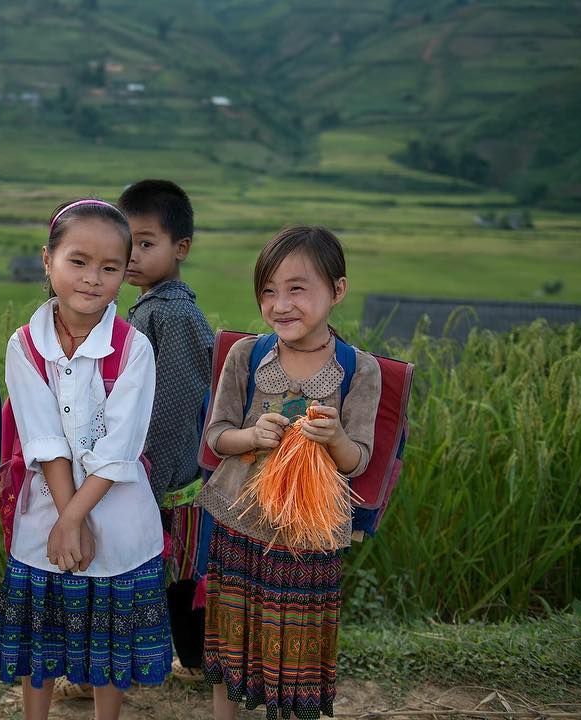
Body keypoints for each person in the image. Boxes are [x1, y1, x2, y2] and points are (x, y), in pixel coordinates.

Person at [0, 199, 172, 720]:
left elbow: (120, 448)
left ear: (124, 274)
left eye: (110, 268)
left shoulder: (133, 348)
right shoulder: (25, 345)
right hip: (45, 510)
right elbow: (42, 439)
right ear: (47, 261)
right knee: (41, 637)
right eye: (78, 261)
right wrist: (68, 520)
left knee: (109, 646)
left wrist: (75, 518)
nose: (93, 278)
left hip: (116, 514)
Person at [196, 226, 381, 720]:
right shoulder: (246, 355)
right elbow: (217, 436)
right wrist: (253, 437)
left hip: (308, 532)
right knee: (231, 631)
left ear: (337, 291)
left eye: (297, 289)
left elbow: (358, 458)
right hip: (241, 516)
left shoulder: (359, 370)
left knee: (295, 641)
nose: (281, 304)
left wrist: (335, 438)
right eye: (268, 291)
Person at [119, 179, 214, 683]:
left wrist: (146, 479)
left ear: (181, 249)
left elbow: (173, 406)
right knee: (177, 575)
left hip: (172, 477)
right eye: (126, 241)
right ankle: (193, 664)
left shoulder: (170, 314)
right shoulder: (154, 306)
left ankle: (193, 664)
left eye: (146, 243)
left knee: (178, 574)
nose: (132, 254)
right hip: (168, 473)